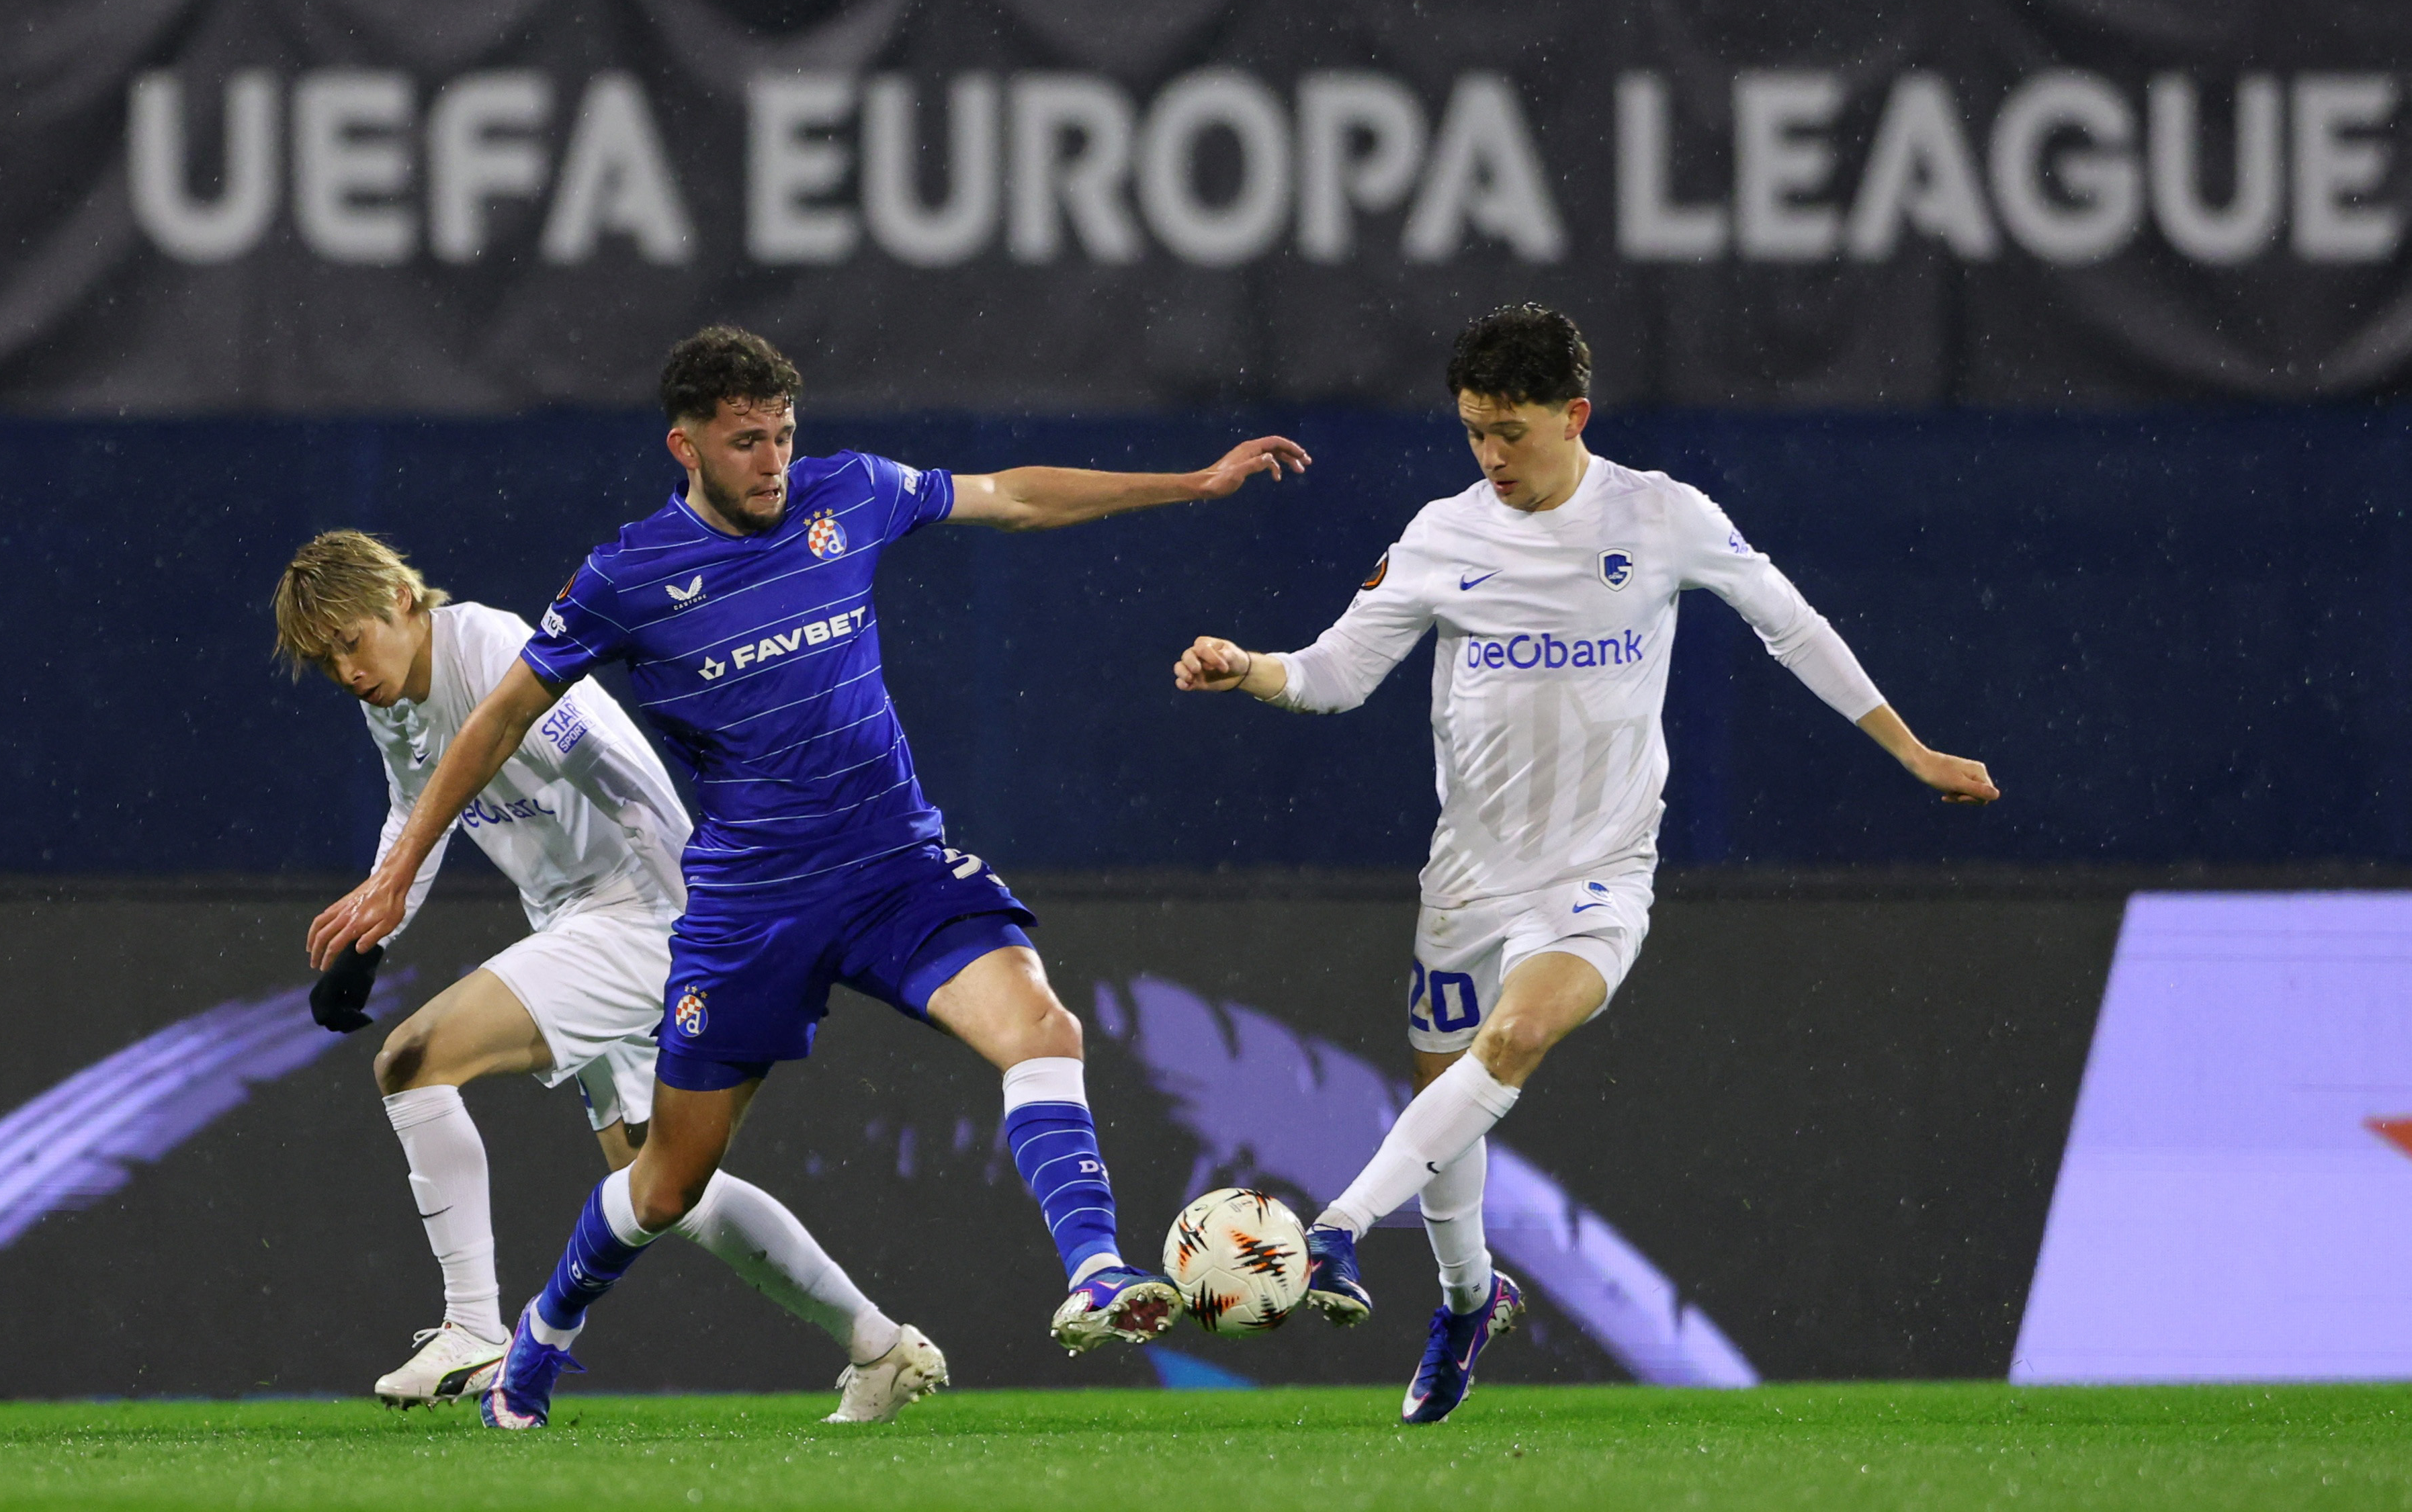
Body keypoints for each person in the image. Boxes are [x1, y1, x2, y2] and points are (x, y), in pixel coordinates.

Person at [306, 326, 1311, 1429]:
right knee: (664, 1186)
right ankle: (537, 1342)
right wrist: (399, 872)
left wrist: (1189, 481)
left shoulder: (855, 495)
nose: (774, 462)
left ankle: (1097, 1270)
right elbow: (501, 719)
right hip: (746, 907)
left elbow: (1013, 497)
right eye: (746, 443)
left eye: (784, 435)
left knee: (1043, 1027)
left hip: (893, 864)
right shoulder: (625, 576)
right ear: (684, 446)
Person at [1172, 302, 1997, 1424]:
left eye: (1510, 430)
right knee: (1448, 1118)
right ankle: (1467, 1300)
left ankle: (1330, 1231)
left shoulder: (1660, 516)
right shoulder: (1440, 537)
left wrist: (1909, 750)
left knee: (1510, 1040)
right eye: (1472, 431)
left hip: (1598, 870)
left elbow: (1788, 623)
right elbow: (1334, 675)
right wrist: (1249, 667)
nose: (1491, 456)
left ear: (1575, 415)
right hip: (1465, 878)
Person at [275, 531, 942, 1422]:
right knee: (665, 1184)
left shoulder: (492, 648)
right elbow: (415, 802)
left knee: (412, 1059)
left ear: (400, 596)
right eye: (326, 662)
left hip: (640, 909)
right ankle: (879, 1345)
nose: (347, 670)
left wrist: (700, 922)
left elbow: (615, 768)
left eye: (350, 641)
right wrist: (371, 936)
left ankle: (473, 1327)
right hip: (584, 919)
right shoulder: (394, 704)